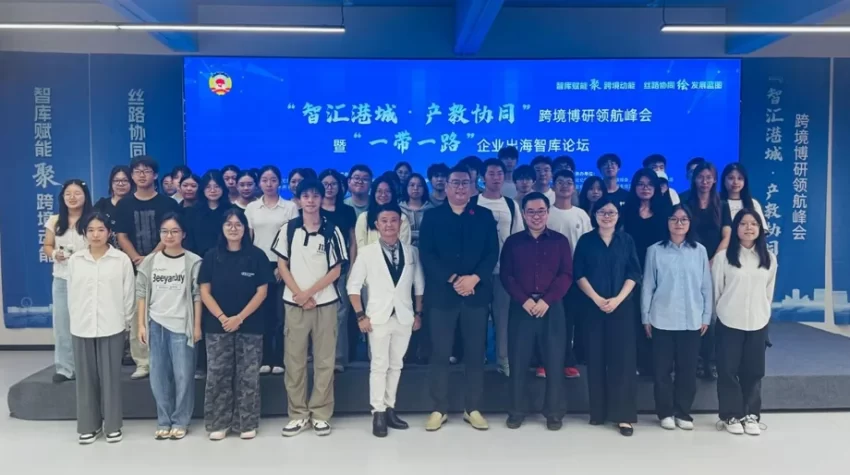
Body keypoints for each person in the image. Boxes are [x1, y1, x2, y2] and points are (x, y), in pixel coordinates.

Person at [419, 165, 499, 432]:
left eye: (465, 183)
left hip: (476, 294)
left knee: (475, 353)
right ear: (446, 186)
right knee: (440, 353)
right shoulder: (432, 217)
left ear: (473, 186)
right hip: (442, 296)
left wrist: (474, 278)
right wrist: (454, 279)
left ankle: (472, 408)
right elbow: (427, 255)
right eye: (455, 183)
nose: (461, 187)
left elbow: (492, 253)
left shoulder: (484, 216)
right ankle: (438, 408)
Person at [273, 179, 348, 437]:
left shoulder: (332, 230)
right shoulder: (288, 229)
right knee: (294, 361)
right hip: (294, 304)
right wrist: (299, 295)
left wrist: (309, 293)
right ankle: (298, 414)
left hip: (325, 303)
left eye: (316, 195)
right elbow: (282, 265)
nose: (311, 200)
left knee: (325, 361)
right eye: (306, 195)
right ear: (298, 199)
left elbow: (336, 270)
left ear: (322, 199)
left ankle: (320, 414)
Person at [347, 203, 424, 437]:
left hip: (404, 316)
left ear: (400, 223)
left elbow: (419, 285)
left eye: (393, 220)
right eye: (384, 221)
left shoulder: (412, 252)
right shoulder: (367, 253)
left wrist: (418, 313)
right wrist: (360, 316)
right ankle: (378, 412)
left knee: (396, 364)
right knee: (379, 365)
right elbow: (353, 286)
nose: (389, 225)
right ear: (377, 225)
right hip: (377, 317)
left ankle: (390, 408)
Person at [500, 192, 573, 431]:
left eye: (541, 211)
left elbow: (566, 275)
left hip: (551, 308)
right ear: (523, 214)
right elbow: (506, 275)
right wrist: (524, 300)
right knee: (518, 361)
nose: (536, 216)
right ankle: (516, 411)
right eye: (531, 212)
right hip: (521, 308)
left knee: (554, 361)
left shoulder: (560, 241)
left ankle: (554, 413)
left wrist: (546, 301)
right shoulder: (513, 242)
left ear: (548, 213)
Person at [199, 209, 272, 440]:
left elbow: (262, 292)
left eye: (238, 224)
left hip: (250, 326)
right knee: (217, 375)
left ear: (245, 229)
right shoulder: (211, 256)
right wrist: (223, 318)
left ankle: (246, 422)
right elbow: (204, 291)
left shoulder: (257, 256)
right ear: (222, 228)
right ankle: (218, 423)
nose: (233, 228)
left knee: (248, 376)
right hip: (217, 326)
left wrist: (239, 318)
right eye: (228, 224)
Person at [573, 196, 641, 436]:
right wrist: (597, 299)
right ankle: (598, 412)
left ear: (618, 216)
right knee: (595, 359)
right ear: (595, 215)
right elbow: (578, 273)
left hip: (621, 308)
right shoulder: (586, 241)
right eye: (602, 212)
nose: (607, 216)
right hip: (593, 308)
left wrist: (617, 299)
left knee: (622, 361)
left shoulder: (626, 240)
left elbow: (633, 273)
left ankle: (623, 417)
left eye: (611, 212)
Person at [641, 205, 712, 431]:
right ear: (667, 222)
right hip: (661, 318)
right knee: (662, 371)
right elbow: (648, 285)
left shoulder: (699, 250)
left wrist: (706, 316)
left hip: (692, 319)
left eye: (683, 219)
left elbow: (706, 286)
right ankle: (665, 412)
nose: (678, 223)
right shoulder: (655, 250)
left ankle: (683, 412)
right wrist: (645, 317)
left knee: (687, 370)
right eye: (674, 219)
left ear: (690, 223)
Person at [67, 212, 135, 444]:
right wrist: (75, 319)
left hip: (112, 324)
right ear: (84, 233)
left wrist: (127, 322)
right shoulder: (76, 260)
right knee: (85, 379)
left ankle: (113, 425)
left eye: (101, 230)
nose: (95, 235)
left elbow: (128, 294)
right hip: (82, 325)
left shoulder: (121, 260)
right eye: (91, 230)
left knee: (110, 378)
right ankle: (89, 425)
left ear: (109, 232)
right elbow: (71, 294)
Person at [136, 212, 202, 440]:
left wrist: (196, 326)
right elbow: (141, 293)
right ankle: (163, 420)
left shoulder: (193, 261)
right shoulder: (150, 261)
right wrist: (141, 325)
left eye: (174, 231)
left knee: (183, 376)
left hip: (181, 326)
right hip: (156, 325)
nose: (169, 236)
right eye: (164, 231)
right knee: (158, 377)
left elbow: (197, 295)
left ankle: (181, 420)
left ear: (183, 234)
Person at [115, 155, 181, 379]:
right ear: (132, 175)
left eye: (147, 171)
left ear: (155, 175)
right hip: (135, 267)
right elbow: (121, 235)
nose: (142, 175)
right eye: (137, 171)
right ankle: (142, 362)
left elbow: (171, 233)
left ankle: (166, 361)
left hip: (166, 266)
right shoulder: (124, 204)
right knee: (138, 316)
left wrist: (152, 257)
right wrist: (137, 258)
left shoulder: (168, 204)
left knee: (166, 313)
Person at [713, 209, 777, 436]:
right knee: (728, 371)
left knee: (754, 371)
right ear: (735, 228)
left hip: (757, 322)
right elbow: (717, 291)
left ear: (760, 229)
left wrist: (763, 314)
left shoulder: (769, 258)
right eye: (743, 223)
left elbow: (768, 292)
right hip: (729, 321)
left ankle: (751, 415)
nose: (749, 228)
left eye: (753, 224)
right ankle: (730, 415)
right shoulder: (723, 258)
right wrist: (722, 313)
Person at [471, 158, 524, 377]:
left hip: (504, 272)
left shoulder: (511, 205)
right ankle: (476, 360)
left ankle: (503, 360)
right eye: (491, 173)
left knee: (503, 319)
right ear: (482, 177)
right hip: (476, 274)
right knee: (476, 320)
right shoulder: (473, 203)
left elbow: (518, 239)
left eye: (499, 173)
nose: (496, 177)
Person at [245, 165, 299, 375]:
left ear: (279, 182)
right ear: (260, 183)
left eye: (273, 180)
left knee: (281, 315)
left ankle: (280, 358)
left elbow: (293, 239)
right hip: (259, 264)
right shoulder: (252, 208)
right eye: (265, 180)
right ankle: (265, 357)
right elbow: (249, 239)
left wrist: (283, 266)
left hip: (282, 264)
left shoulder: (289, 207)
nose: (269, 184)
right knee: (263, 314)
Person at [622, 168, 671, 378]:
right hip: (631, 272)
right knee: (634, 318)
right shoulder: (625, 212)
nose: (645, 188)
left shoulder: (665, 212)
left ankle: (657, 365)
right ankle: (636, 362)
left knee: (657, 315)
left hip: (659, 272)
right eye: (640, 184)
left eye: (649, 184)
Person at [44, 179, 93, 383]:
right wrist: (54, 253)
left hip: (88, 279)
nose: (72, 197)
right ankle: (65, 368)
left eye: (77, 193)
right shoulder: (54, 221)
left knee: (88, 323)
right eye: (68, 194)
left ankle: (87, 368)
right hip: (62, 278)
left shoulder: (93, 220)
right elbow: (47, 245)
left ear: (85, 196)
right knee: (63, 324)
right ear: (62, 198)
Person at [687, 162, 732, 381]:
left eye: (708, 177)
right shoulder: (685, 201)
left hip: (715, 265)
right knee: (692, 312)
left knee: (712, 316)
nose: (704, 181)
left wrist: (713, 259)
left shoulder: (722, 205)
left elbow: (727, 236)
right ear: (694, 179)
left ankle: (711, 361)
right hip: (689, 264)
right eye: (700, 177)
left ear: (714, 180)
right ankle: (694, 360)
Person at [546, 170, 592, 377]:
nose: (565, 186)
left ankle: (568, 361)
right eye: (560, 182)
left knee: (570, 320)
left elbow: (587, 246)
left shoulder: (581, 214)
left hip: (575, 276)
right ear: (553, 186)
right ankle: (546, 360)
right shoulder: (546, 213)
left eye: (569, 182)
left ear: (574, 188)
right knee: (550, 321)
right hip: (549, 277)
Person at [319, 169, 358, 372]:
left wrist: (352, 267)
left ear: (340, 187)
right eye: (325, 184)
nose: (329, 187)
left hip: (341, 268)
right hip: (317, 270)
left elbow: (352, 241)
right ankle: (319, 357)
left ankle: (339, 358)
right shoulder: (313, 209)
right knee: (318, 314)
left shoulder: (347, 211)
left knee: (340, 315)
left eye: (333, 183)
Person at [355, 175, 411, 249]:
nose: (383, 194)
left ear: (393, 194)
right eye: (379, 191)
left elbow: (405, 247)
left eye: (387, 191)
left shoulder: (402, 218)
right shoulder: (364, 217)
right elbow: (361, 248)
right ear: (373, 194)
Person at [185, 171, 233, 258]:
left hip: (227, 258)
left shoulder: (231, 211)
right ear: (202, 189)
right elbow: (189, 241)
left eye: (217, 186)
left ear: (223, 188)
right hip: (198, 259)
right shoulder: (192, 212)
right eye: (208, 187)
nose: (213, 190)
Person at [93, 165, 132, 247]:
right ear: (111, 183)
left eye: (125, 180)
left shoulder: (135, 205)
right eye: (116, 180)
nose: (120, 184)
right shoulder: (102, 205)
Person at [399, 173, 435, 247]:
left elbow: (433, 233)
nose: (415, 188)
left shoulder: (431, 209)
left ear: (424, 188)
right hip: (404, 249)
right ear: (406, 187)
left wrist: (409, 234)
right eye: (412, 185)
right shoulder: (399, 209)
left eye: (420, 185)